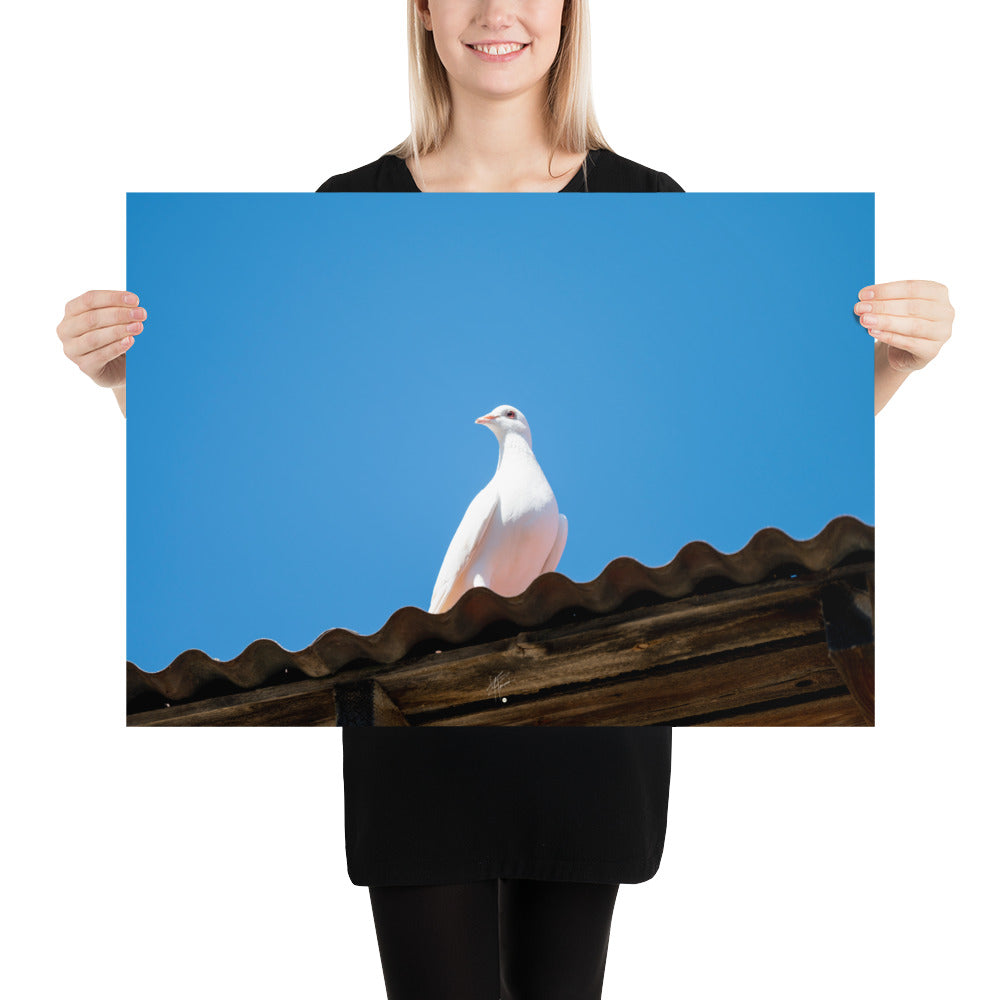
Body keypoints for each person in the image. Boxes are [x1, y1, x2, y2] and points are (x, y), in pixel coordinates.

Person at [55, 2, 953, 997]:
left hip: (585, 735)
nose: (497, 11)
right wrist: (127, 382)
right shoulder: (344, 207)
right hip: (424, 733)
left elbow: (802, 462)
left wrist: (892, 367)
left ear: (570, 14)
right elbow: (226, 457)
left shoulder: (649, 205)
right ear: (424, 13)